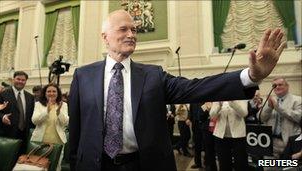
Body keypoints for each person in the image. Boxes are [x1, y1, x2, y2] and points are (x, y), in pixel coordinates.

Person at [68, 10, 286, 171]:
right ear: (104, 36)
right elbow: (76, 129)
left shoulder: (153, 76)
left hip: (143, 165)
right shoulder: (83, 76)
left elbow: (195, 87)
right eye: (123, 29)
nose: (131, 34)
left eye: (134, 30)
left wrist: (251, 76)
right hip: (94, 165)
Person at [260, 77, 302, 158]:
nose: (277, 87)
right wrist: (269, 107)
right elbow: (261, 118)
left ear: (287, 86)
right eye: (274, 86)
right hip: (271, 142)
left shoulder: (298, 100)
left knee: (288, 168)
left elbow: (298, 117)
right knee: (269, 167)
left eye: (280, 85)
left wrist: (279, 108)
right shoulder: (269, 100)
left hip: (289, 142)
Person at [31, 83, 69, 171]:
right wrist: (46, 111)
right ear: (45, 93)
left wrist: (59, 112)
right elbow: (34, 121)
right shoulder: (38, 104)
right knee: (39, 165)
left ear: (58, 93)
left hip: (58, 141)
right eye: (49, 91)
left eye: (54, 91)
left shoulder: (63, 105)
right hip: (40, 141)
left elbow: (65, 123)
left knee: (56, 166)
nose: (51, 93)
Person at [0, 71, 35, 154]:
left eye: (23, 80)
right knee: (8, 160)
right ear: (13, 79)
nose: (20, 81)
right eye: (18, 79)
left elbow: (31, 115)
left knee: (21, 160)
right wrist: (3, 117)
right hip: (7, 134)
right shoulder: (3, 94)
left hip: (25, 135)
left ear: (26, 81)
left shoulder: (30, 97)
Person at [210, 100, 249, 171]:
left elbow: (244, 113)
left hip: (238, 136)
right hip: (221, 136)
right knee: (224, 164)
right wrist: (219, 105)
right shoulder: (218, 97)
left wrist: (232, 102)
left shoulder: (240, 96)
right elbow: (212, 116)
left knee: (240, 163)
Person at [187, 103, 204, 168]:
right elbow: (190, 112)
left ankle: (207, 163)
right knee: (197, 145)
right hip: (195, 125)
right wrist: (189, 118)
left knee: (206, 145)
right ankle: (197, 163)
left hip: (204, 124)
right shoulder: (193, 101)